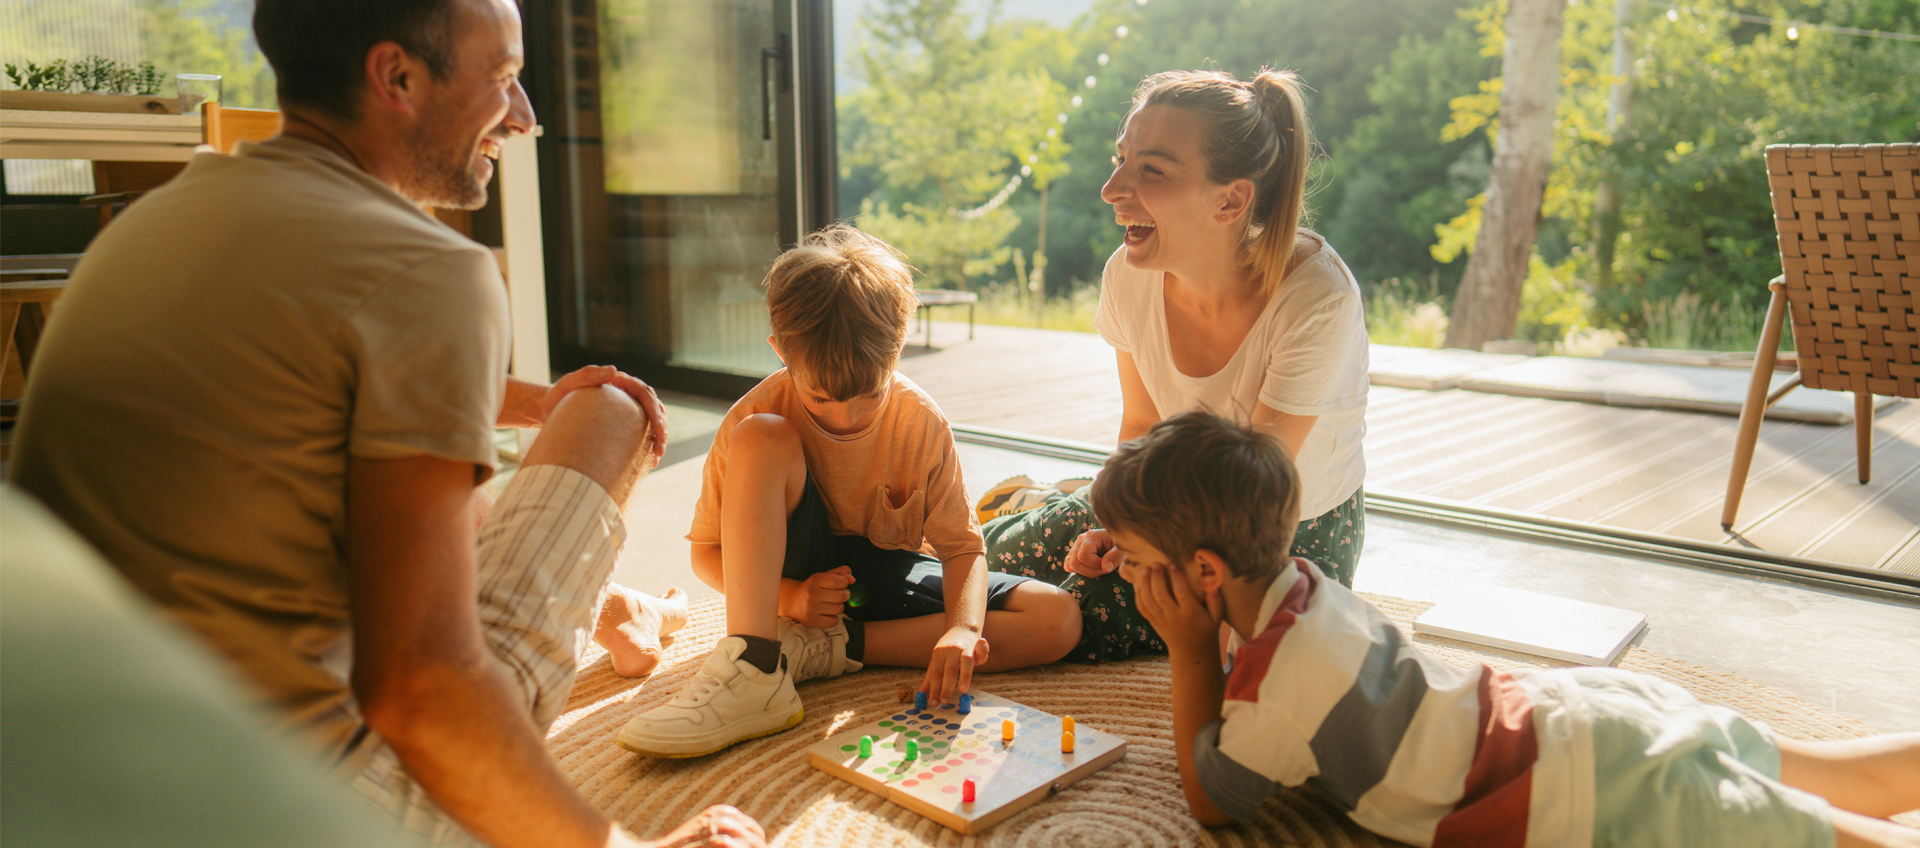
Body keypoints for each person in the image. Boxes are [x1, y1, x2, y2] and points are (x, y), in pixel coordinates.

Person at [11, 0, 761, 848]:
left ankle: (620, 613)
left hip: (77, 759)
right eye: (505, 78)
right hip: (296, 799)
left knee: (441, 479)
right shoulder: (428, 271)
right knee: (610, 409)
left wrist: (530, 401)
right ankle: (618, 616)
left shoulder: (161, 218)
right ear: (397, 76)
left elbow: (311, 364)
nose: (523, 117)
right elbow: (422, 690)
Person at [1094, 412, 1920, 848]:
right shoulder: (1305, 587)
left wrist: (1189, 649)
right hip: (1591, 713)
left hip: (1580, 786)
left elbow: (1212, 802)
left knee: (1833, 836)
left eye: (1133, 558)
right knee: (1847, 778)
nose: (1127, 572)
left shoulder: (1278, 687)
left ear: (1205, 573)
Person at [612, 225, 1083, 758]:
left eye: (869, 395)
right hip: (788, 581)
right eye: (820, 398)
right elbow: (706, 554)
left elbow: (960, 547)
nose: (847, 416)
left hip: (881, 577)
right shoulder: (753, 417)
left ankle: (831, 651)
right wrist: (791, 597)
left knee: (1058, 618)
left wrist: (960, 629)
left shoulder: (921, 421)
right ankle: (756, 664)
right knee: (762, 437)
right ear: (780, 353)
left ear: (898, 347)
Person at [984, 68, 1369, 662]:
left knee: (1071, 611)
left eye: (1151, 171)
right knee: (986, 556)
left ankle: (1044, 502)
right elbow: (1139, 427)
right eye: (1120, 160)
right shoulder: (1128, 273)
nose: (1113, 188)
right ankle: (1041, 505)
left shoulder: (1317, 297)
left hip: (1274, 532)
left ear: (1232, 199)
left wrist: (1140, 544)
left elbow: (1253, 493)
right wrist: (1116, 522)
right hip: (1169, 498)